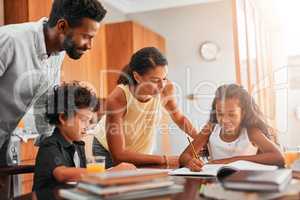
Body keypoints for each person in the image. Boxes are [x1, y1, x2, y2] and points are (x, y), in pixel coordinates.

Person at [0, 0, 107, 166]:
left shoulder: (58, 52)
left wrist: (53, 147)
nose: (90, 46)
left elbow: (45, 102)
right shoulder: (10, 41)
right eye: (86, 36)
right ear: (62, 26)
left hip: (4, 140)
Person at [93, 47, 199, 168]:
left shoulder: (165, 88)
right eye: (155, 80)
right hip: (108, 152)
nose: (162, 85)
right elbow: (119, 155)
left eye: (164, 78)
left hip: (139, 153)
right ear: (137, 77)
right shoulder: (117, 99)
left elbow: (179, 118)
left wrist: (200, 140)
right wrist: (166, 159)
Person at [33, 83, 135, 191]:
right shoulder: (50, 145)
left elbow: (83, 178)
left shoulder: (78, 145)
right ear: (63, 117)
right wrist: (109, 173)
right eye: (83, 120)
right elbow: (62, 174)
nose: (87, 126)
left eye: (88, 121)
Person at [179, 84, 285, 171]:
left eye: (232, 114)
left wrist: (231, 161)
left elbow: (279, 157)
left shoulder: (250, 131)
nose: (224, 120)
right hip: (215, 182)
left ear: (243, 113)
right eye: (220, 114)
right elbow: (184, 156)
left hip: (245, 182)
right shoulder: (211, 128)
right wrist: (190, 162)